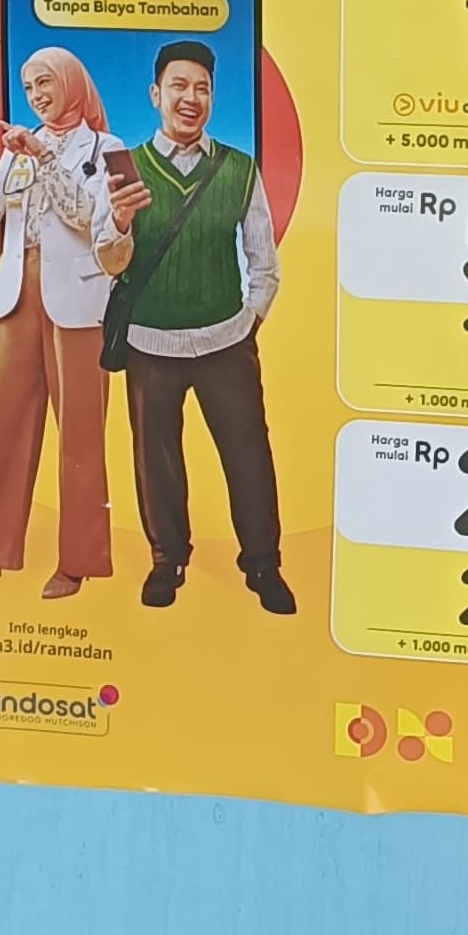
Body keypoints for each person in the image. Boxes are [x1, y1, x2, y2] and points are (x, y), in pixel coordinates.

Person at [0, 46, 149, 600]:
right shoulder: (18, 148)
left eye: (46, 82)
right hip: (18, 294)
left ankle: (78, 562)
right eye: (29, 86)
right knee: (0, 427)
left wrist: (43, 156)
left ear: (72, 83)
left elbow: (89, 219)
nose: (37, 95)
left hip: (80, 303)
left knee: (81, 436)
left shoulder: (105, 149)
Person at [115, 40, 294, 614]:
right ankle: (167, 560)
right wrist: (117, 222)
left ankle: (263, 564)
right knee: (157, 460)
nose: (190, 98)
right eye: (179, 85)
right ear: (155, 94)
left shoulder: (239, 169)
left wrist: (249, 321)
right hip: (149, 342)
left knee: (249, 455)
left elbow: (264, 262)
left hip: (226, 341)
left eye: (202, 88)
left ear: (213, 97)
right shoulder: (126, 169)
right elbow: (107, 260)